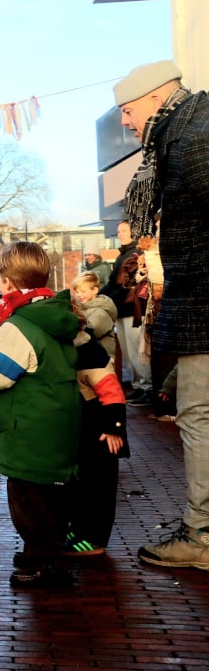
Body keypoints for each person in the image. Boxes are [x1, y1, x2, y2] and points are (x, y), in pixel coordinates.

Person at [114, 60, 209, 569]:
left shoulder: (192, 138)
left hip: (203, 304)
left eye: (128, 110)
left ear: (155, 98)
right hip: (197, 301)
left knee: (199, 414)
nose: (125, 121)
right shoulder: (185, 131)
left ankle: (202, 535)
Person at [0, 241, 81, 587]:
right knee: (53, 499)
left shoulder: (17, 325)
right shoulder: (55, 315)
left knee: (28, 502)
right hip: (59, 423)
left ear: (6, 281)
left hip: (28, 428)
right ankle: (49, 555)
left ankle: (44, 563)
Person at [55, 288, 128, 557]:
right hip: (84, 426)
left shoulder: (86, 349)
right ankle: (79, 529)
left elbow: (111, 390)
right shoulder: (70, 347)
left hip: (99, 427)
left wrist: (114, 428)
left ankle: (93, 537)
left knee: (98, 485)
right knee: (81, 482)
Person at [100, 220, 147, 399]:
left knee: (136, 351)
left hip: (133, 310)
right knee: (128, 352)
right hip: (123, 309)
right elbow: (114, 283)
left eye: (124, 231)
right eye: (118, 231)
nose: (120, 234)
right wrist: (100, 296)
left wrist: (103, 299)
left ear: (133, 232)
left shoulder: (136, 253)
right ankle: (139, 386)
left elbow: (126, 285)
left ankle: (146, 387)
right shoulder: (123, 255)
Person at [71, 272, 117, 361]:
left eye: (83, 291)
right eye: (77, 292)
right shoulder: (83, 308)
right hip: (91, 357)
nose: (79, 295)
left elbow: (88, 333)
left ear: (95, 290)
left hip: (101, 360)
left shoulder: (101, 313)